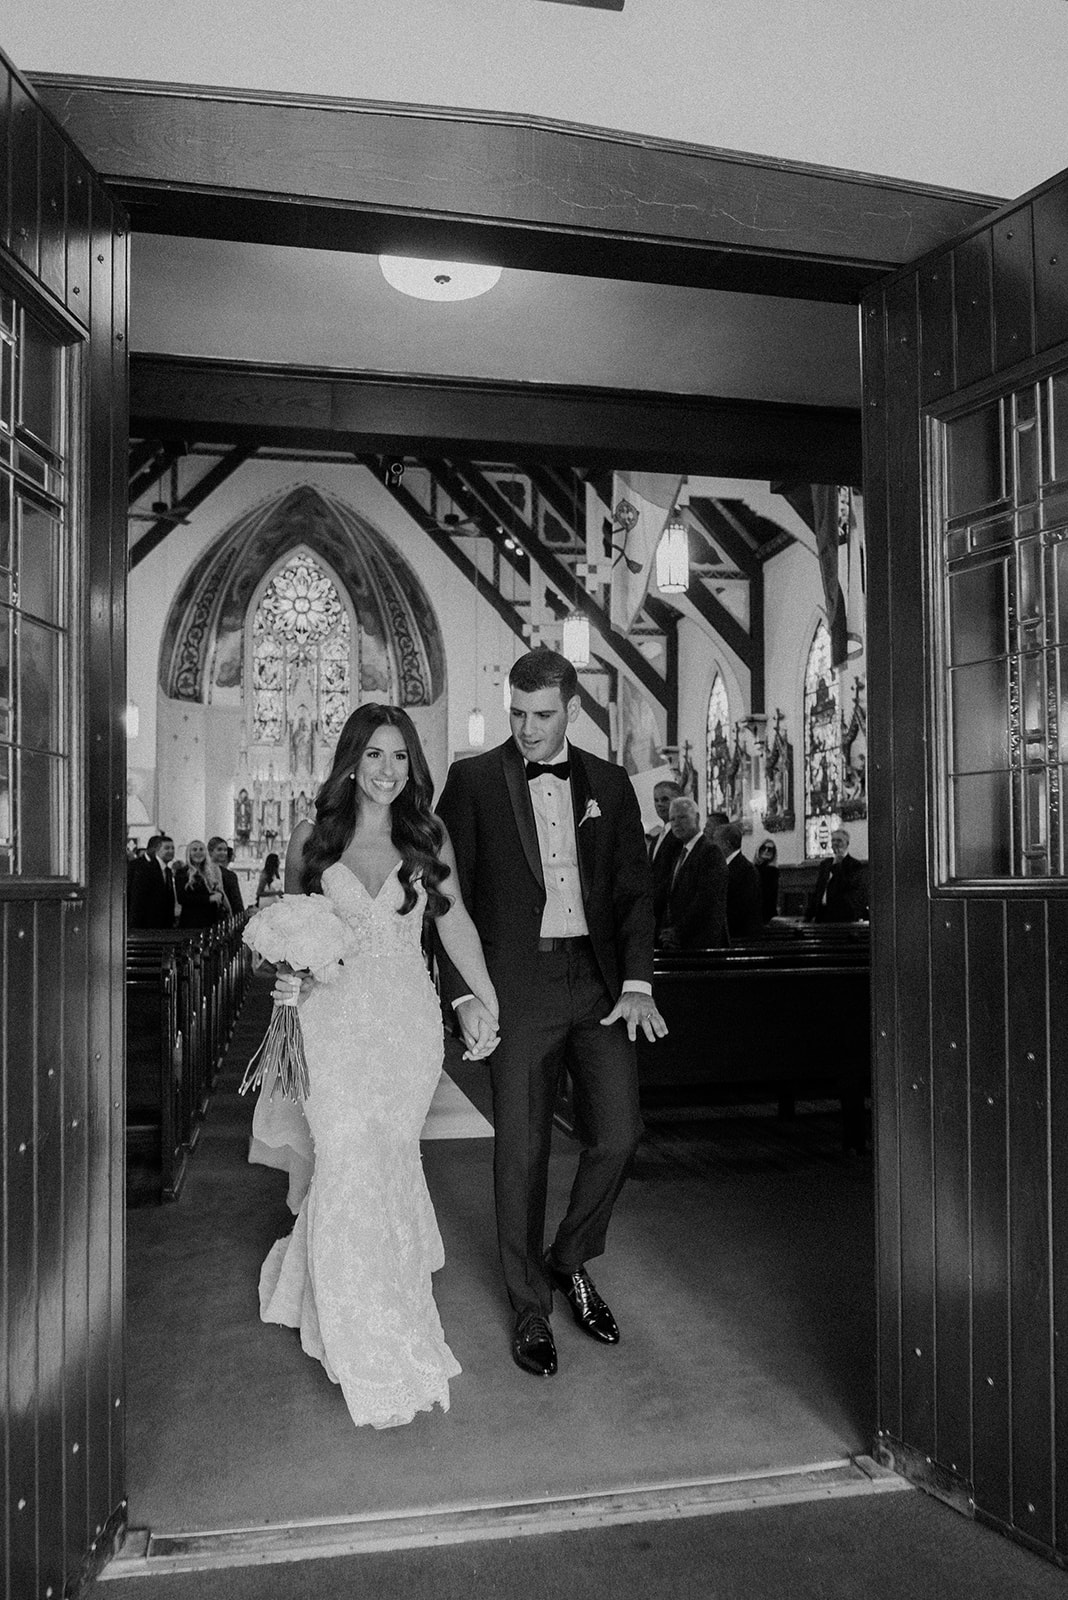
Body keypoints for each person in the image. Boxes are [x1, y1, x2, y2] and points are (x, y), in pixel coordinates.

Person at [260, 704, 499, 1429]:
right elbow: (289, 926)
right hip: (332, 1023)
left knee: (389, 1159)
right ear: (351, 761)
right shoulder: (315, 837)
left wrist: (484, 997)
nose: (388, 771)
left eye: (400, 757)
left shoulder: (426, 836)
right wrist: (290, 975)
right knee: (344, 1160)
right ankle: (354, 1326)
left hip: (405, 1028)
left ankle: (387, 1300)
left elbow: (453, 920)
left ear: (412, 765)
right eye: (374, 756)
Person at [436, 647, 666, 1380]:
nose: (527, 729)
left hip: (596, 984)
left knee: (621, 1133)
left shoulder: (610, 782)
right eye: (517, 714)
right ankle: (531, 1307)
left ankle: (569, 1258)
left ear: (572, 710)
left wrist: (637, 981)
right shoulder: (472, 781)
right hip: (518, 983)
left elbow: (633, 891)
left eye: (542, 716)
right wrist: (466, 992)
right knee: (522, 1151)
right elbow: (446, 898)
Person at [658, 798, 729, 950]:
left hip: (702, 943)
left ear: (696, 818)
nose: (676, 823)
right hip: (680, 942)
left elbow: (706, 899)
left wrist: (677, 932)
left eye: (682, 817)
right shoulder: (679, 853)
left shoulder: (710, 852)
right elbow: (669, 893)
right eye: (672, 819)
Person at [805, 827, 869, 922]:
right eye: (833, 840)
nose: (835, 843)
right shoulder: (825, 864)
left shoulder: (854, 865)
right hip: (822, 914)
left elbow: (847, 889)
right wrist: (808, 916)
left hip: (841, 915)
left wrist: (838, 865)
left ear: (847, 843)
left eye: (839, 840)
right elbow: (819, 890)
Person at [713, 821, 764, 940]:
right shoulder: (729, 866)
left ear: (726, 844)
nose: (712, 845)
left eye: (715, 840)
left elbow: (741, 907)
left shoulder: (745, 869)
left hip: (741, 934)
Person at [646, 779, 683, 937]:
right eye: (656, 800)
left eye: (665, 799)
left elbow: (672, 877)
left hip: (667, 913)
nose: (659, 804)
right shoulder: (656, 838)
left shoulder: (679, 836)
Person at [128, 832, 179, 929]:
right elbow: (138, 899)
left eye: (173, 848)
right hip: (147, 924)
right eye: (167, 848)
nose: (171, 851)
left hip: (163, 926)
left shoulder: (167, 871)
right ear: (157, 850)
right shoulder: (146, 869)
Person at [176, 839, 227, 928]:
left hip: (210, 920)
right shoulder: (182, 872)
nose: (198, 852)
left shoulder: (209, 872)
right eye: (194, 850)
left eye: (201, 849)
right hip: (192, 921)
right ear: (189, 853)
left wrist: (219, 894)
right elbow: (182, 898)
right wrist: (208, 898)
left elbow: (218, 893)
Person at [208, 834, 245, 917]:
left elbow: (236, 900)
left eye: (225, 850)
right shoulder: (205, 871)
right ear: (210, 851)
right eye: (219, 849)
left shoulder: (229, 874)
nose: (223, 853)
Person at [754, 838, 781, 923]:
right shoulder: (752, 868)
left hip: (767, 911)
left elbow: (770, 895)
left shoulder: (773, 871)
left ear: (774, 853)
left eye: (770, 849)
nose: (766, 851)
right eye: (763, 848)